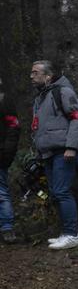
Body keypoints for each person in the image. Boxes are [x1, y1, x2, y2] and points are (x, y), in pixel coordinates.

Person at [30, 60, 78, 250]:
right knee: (55, 193)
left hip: (63, 152)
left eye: (36, 72)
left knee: (62, 191)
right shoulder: (40, 98)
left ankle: (72, 235)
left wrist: (71, 147)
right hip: (48, 154)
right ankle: (66, 233)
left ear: (48, 76)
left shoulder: (62, 92)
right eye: (31, 72)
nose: (31, 76)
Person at [0, 77, 20, 243]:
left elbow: (13, 128)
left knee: (1, 193)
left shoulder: (4, 100)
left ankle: (7, 229)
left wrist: (7, 153)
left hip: (0, 155)